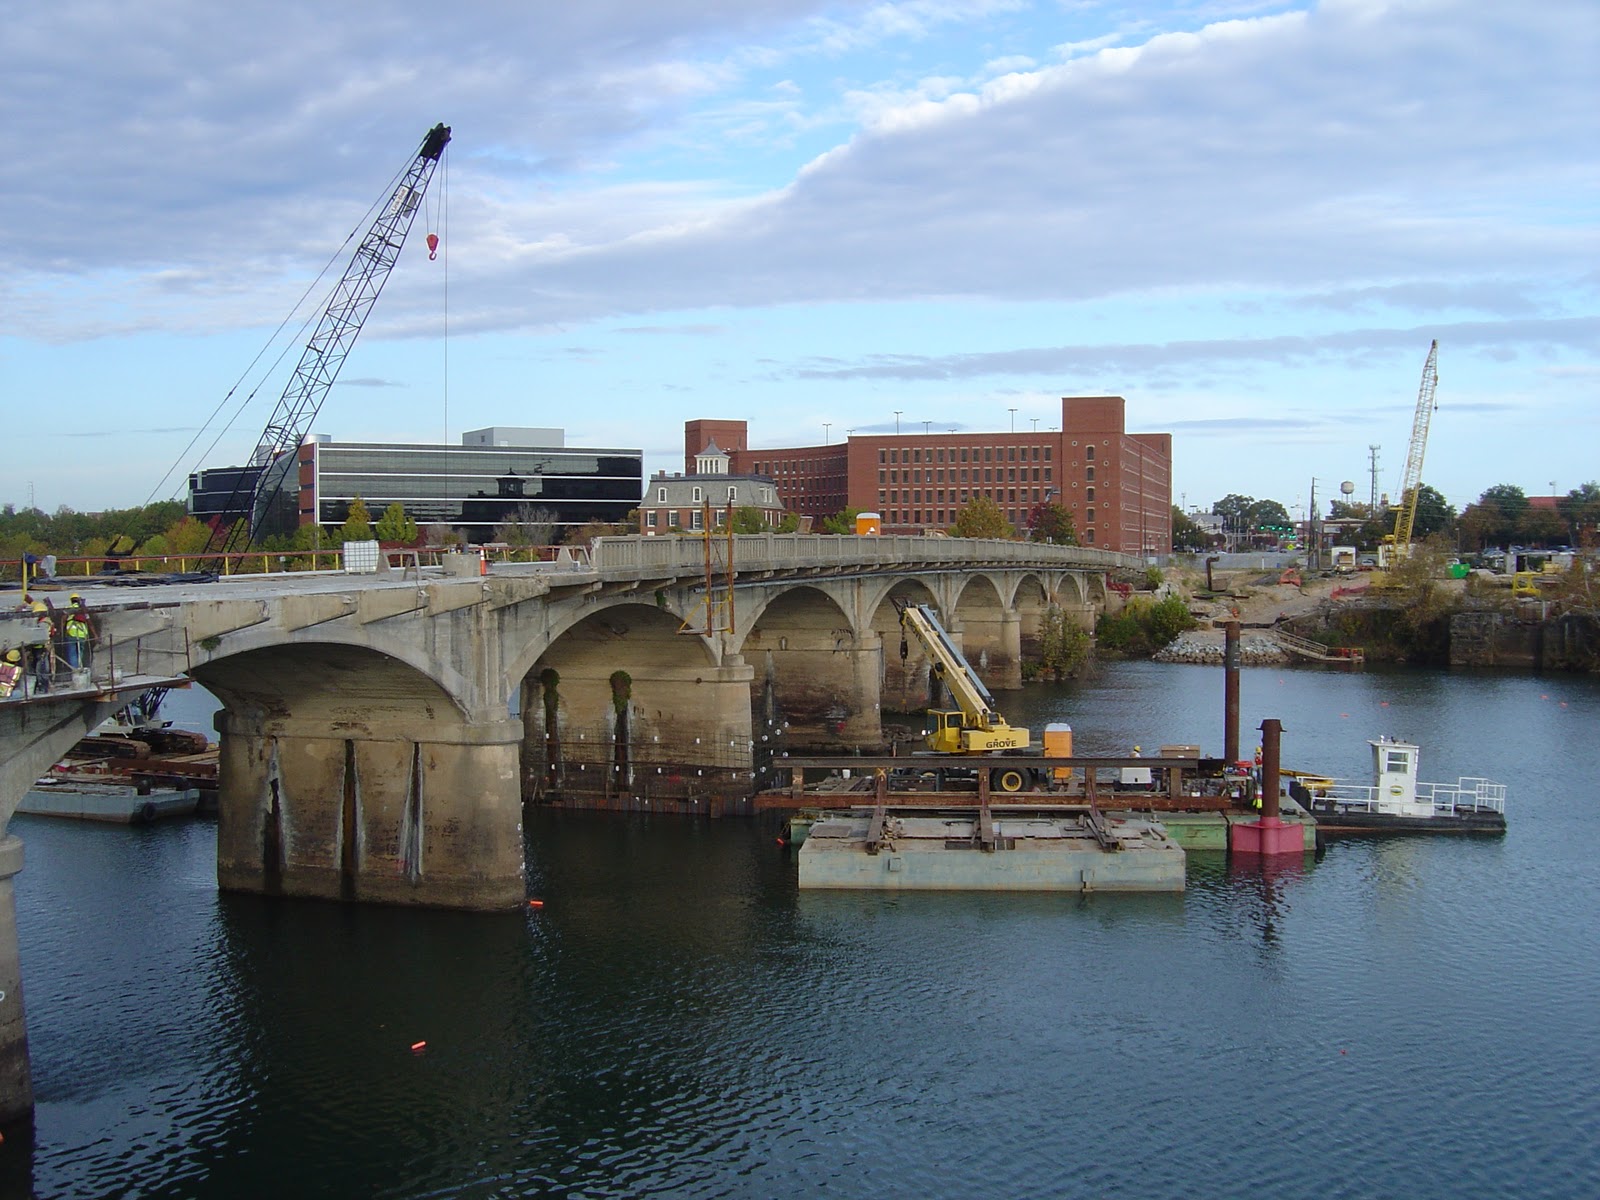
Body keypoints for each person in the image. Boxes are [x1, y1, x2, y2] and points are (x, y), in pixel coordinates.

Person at [64, 594, 93, 673]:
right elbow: (89, 623)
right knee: (80, 654)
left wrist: (61, 633)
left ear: (71, 600)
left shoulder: (68, 609)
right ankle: (80, 668)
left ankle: (75, 671)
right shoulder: (84, 610)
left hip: (71, 634)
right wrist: (95, 635)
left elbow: (63, 619)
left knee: (72, 654)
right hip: (82, 635)